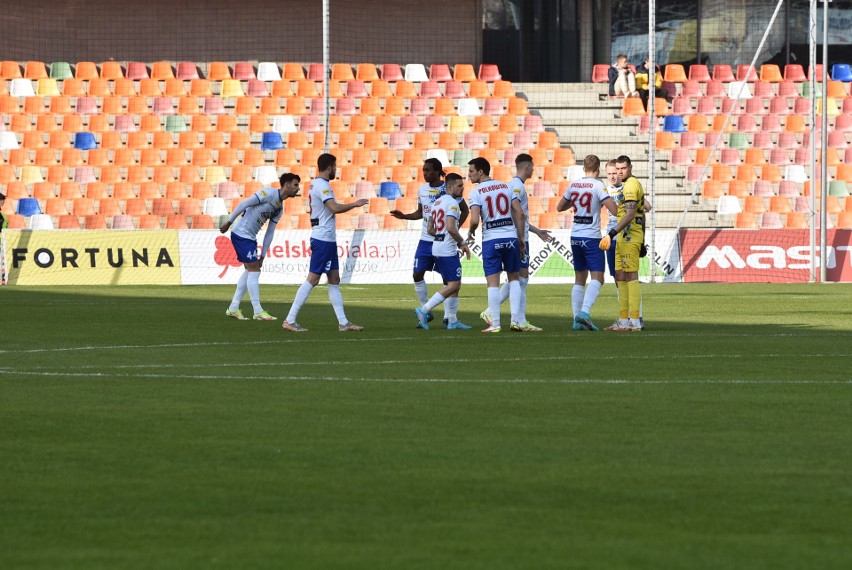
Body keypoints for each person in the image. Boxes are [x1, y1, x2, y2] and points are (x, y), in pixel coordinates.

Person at [282, 153, 368, 332]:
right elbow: (334, 208)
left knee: (334, 279)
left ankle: (343, 323)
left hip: (327, 238)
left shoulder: (318, 184)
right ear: (329, 167)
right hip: (323, 239)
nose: (336, 170)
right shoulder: (322, 185)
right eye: (335, 167)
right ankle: (289, 320)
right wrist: (355, 204)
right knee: (313, 279)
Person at [389, 158, 468, 327]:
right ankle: (427, 312)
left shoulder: (449, 188)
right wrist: (404, 216)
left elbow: (464, 210)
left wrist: (452, 228)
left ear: (438, 171)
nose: (425, 173)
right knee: (417, 274)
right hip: (426, 239)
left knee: (450, 280)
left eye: (428, 170)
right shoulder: (422, 190)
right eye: (423, 170)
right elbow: (421, 212)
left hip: (442, 240)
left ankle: (449, 318)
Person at [479, 153, 551, 331]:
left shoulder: (515, 185)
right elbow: (516, 214)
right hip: (517, 238)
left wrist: (536, 231)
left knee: (521, 278)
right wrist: (521, 238)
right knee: (519, 279)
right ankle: (513, 318)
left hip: (520, 236)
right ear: (526, 167)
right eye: (532, 167)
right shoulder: (516, 186)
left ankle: (518, 319)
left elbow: (521, 217)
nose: (534, 170)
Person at [219, 173, 302, 321]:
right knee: (254, 270)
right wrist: (229, 221)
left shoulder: (279, 208)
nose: (298, 188)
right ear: (287, 184)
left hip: (250, 237)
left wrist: (263, 255)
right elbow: (245, 204)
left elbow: (270, 232)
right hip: (241, 234)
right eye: (295, 185)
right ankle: (257, 311)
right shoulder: (268, 193)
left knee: (250, 270)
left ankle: (233, 307)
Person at [465, 157, 526, 333]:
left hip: (491, 240)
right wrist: (520, 238)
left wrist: (471, 231)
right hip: (510, 238)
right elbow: (520, 214)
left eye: (471, 171)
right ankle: (516, 321)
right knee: (514, 278)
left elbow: (475, 219)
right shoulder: (506, 187)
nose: (468, 175)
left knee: (493, 282)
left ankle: (496, 324)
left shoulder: (476, 193)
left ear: (481, 172)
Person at [557, 155, 617, 331]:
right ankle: (584, 312)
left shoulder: (574, 185)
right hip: (592, 237)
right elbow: (613, 209)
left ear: (584, 168)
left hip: (575, 236)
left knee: (579, 279)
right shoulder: (598, 185)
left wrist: (574, 200)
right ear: (598, 170)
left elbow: (560, 207)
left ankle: (577, 320)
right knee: (598, 277)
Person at [414, 173, 472, 330]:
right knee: (453, 285)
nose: (463, 188)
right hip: (447, 249)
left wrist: (442, 235)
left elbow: (430, 229)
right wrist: (462, 242)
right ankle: (424, 310)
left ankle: (452, 321)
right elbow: (452, 227)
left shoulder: (437, 202)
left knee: (455, 283)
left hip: (437, 246)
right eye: (460, 186)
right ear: (450, 187)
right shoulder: (452, 204)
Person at [603, 155, 646, 332]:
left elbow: (630, 214)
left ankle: (635, 320)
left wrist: (612, 233)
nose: (620, 172)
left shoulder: (631, 185)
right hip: (622, 237)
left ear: (630, 167)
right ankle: (623, 319)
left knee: (631, 276)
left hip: (628, 236)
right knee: (620, 276)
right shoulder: (625, 185)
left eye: (623, 169)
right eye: (618, 169)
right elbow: (643, 213)